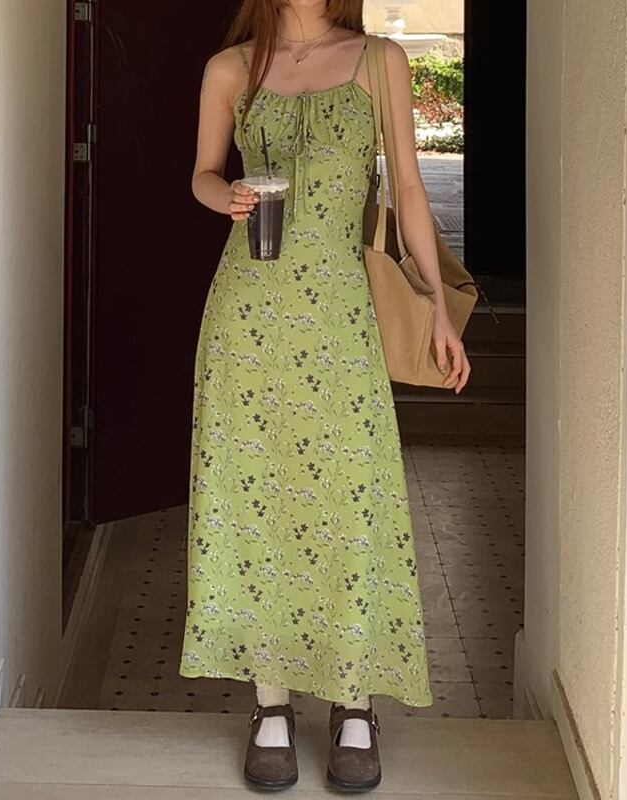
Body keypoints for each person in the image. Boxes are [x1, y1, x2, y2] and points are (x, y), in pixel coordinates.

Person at [179, 0, 470, 792]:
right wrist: (225, 196)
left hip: (342, 316)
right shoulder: (230, 68)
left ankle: (353, 702)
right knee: (256, 498)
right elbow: (203, 173)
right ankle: (270, 704)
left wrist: (439, 308)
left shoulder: (380, 62)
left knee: (350, 496)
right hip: (247, 315)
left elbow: (409, 189)